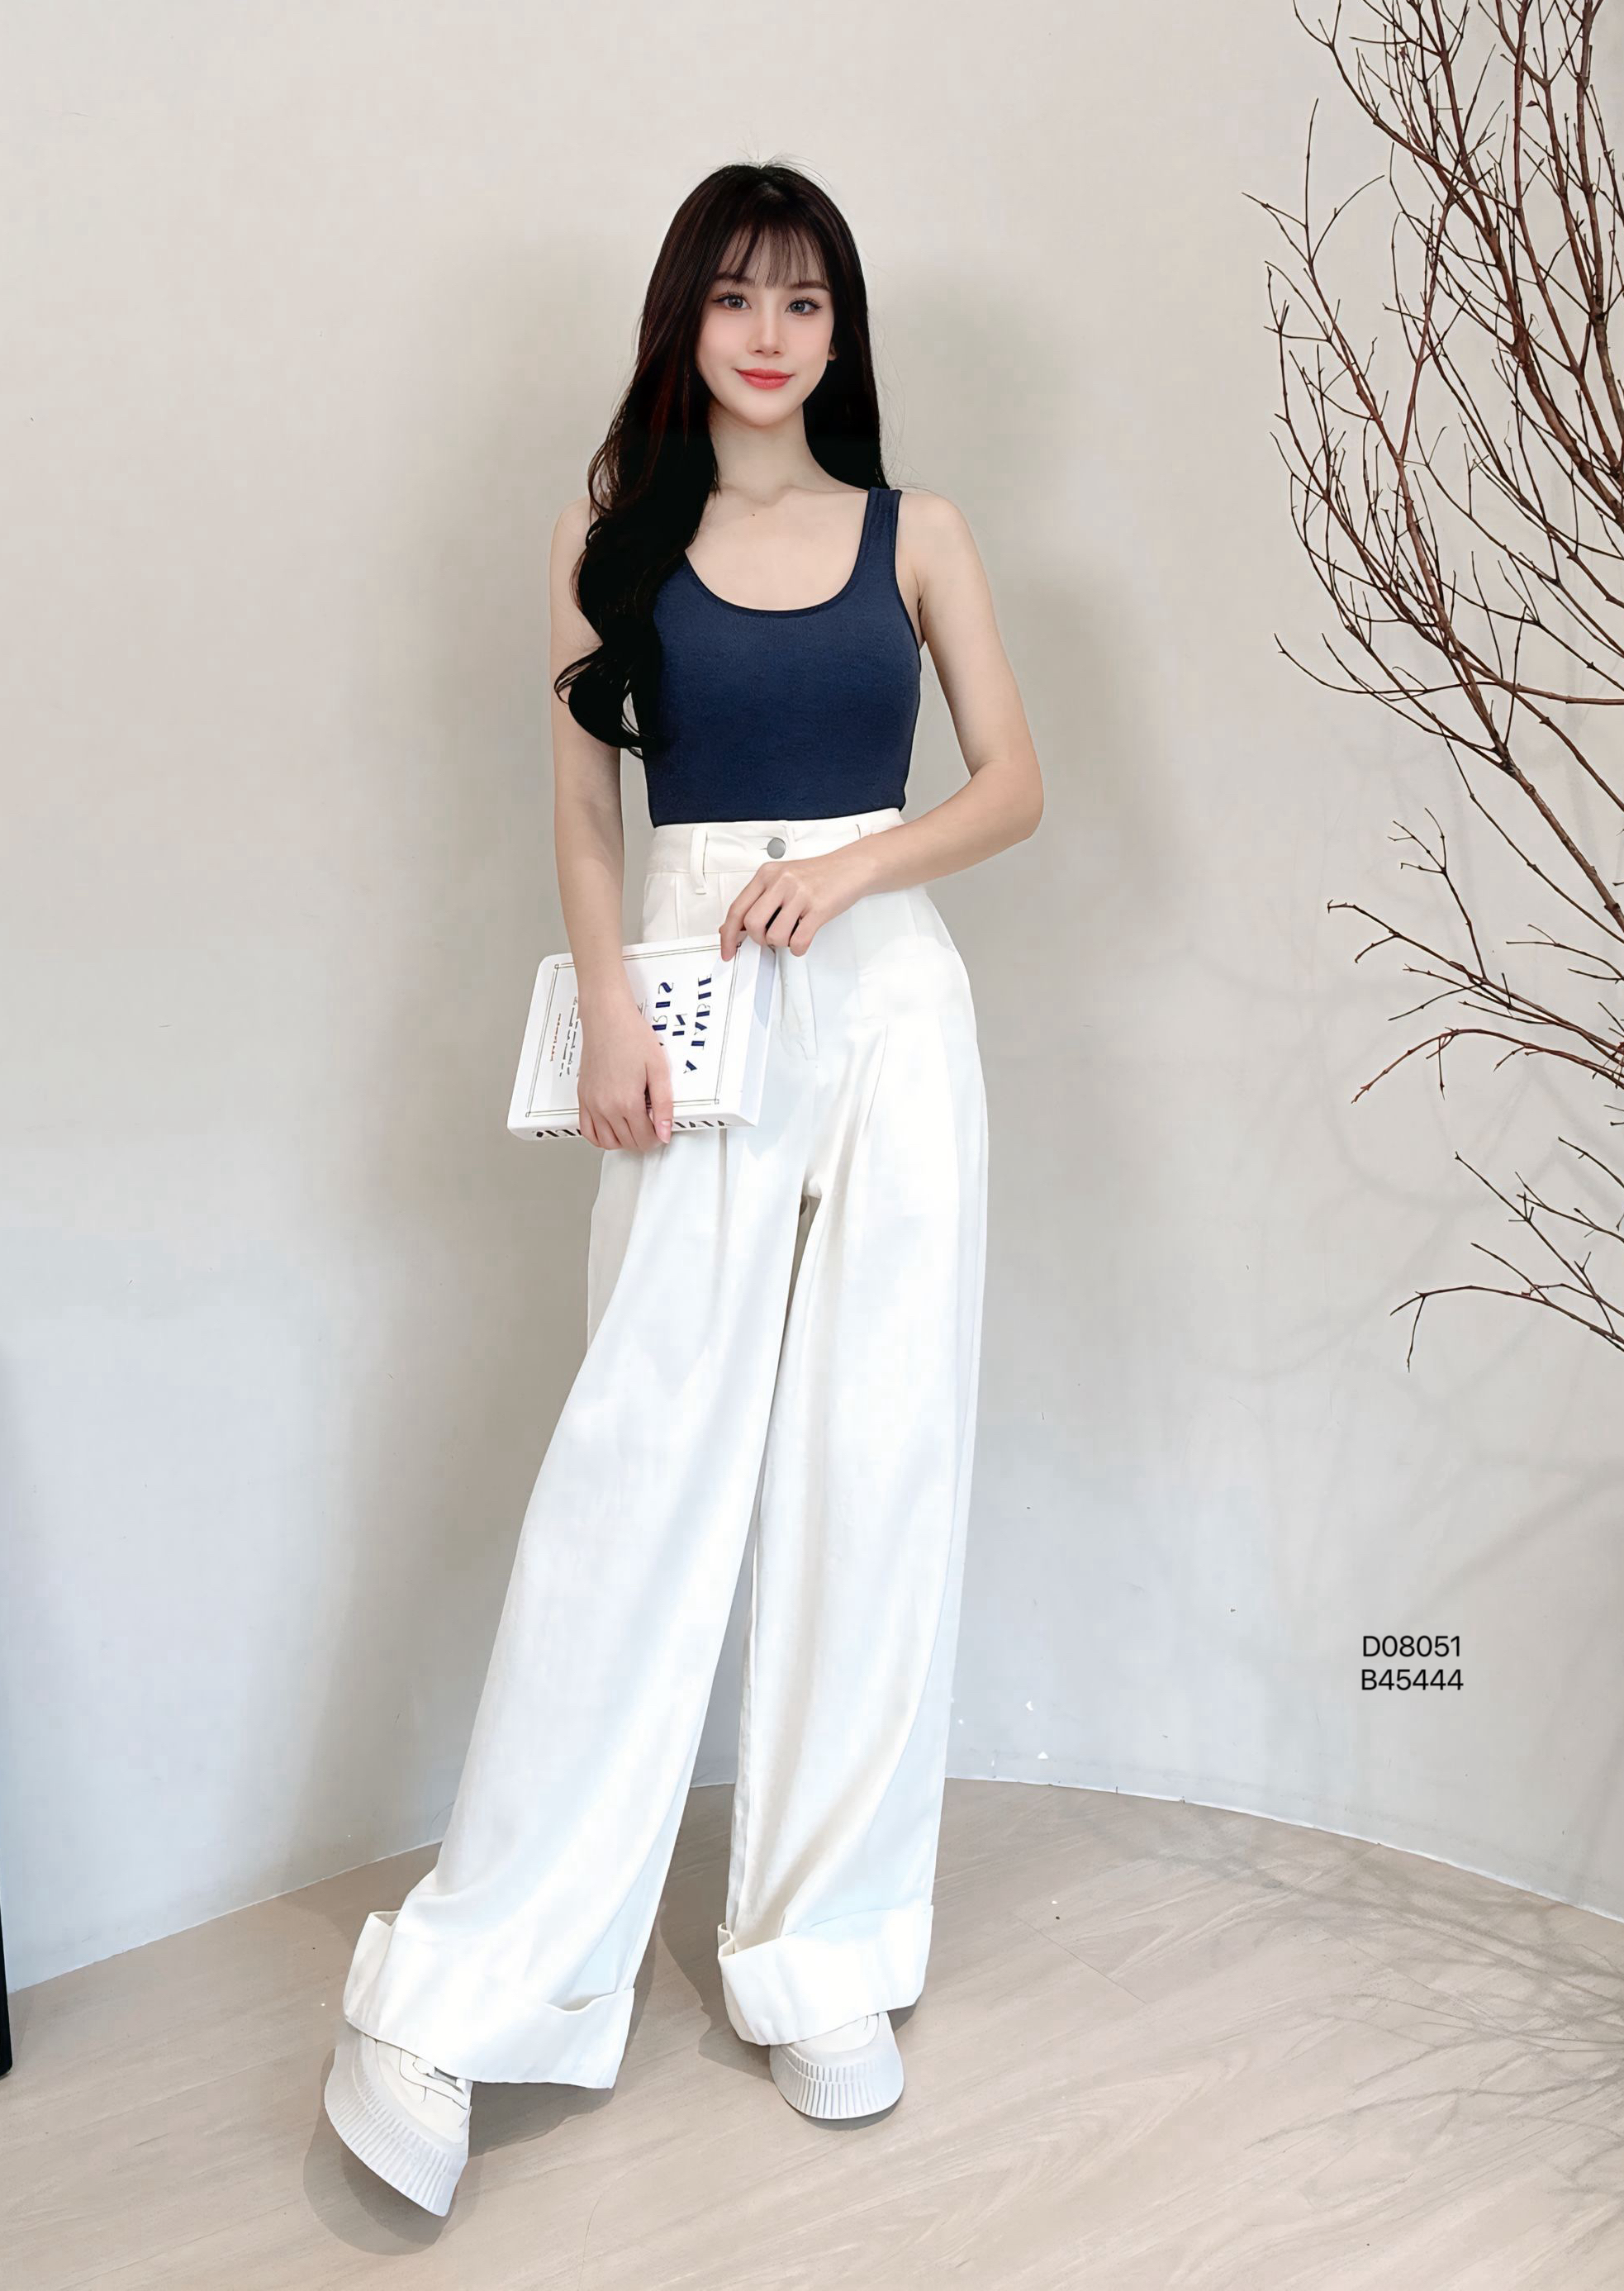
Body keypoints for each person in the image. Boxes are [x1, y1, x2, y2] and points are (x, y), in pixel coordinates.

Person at [326, 161, 1041, 2216]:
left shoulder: (922, 534)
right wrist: (617, 1012)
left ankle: (823, 1952)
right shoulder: (610, 537)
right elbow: (582, 813)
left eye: (805, 301)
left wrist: (859, 865)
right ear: (686, 318)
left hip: (891, 1003)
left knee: (875, 1462)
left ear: (841, 331)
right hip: (692, 1003)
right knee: (639, 1466)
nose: (770, 333)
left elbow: (1014, 782)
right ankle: (469, 1988)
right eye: (737, 296)